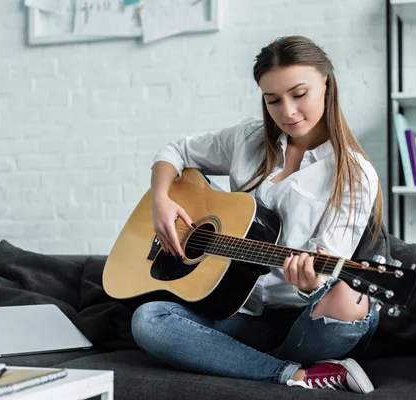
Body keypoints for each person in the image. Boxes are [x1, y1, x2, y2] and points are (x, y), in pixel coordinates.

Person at [131, 35, 384, 393]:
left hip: (301, 322)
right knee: (149, 320)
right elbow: (175, 151)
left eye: (299, 94)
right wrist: (160, 198)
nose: (288, 112)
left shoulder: (354, 174)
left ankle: (252, 363)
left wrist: (312, 283)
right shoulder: (247, 139)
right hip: (240, 314)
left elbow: (327, 271)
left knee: (346, 301)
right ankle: (296, 376)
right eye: (273, 100)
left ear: (326, 84)